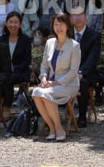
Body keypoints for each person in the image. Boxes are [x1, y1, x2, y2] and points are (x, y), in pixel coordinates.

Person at [31, 13, 80, 141]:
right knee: (36, 92)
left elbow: (73, 72)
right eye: (55, 24)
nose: (58, 27)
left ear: (67, 26)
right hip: (51, 83)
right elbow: (43, 66)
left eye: (61, 24)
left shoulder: (74, 45)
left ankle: (58, 128)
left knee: (46, 94)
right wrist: (43, 78)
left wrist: (55, 83)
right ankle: (52, 127)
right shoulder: (49, 43)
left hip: (68, 84)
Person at [69, 5, 102, 128]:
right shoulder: (66, 34)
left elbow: (92, 59)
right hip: (67, 71)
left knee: (82, 82)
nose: (77, 18)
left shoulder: (94, 35)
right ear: (70, 18)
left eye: (80, 15)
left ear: (85, 17)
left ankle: (82, 116)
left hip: (87, 73)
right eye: (74, 15)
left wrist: (80, 72)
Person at [0, 11, 33, 101]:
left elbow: (27, 61)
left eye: (16, 22)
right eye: (11, 22)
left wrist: (12, 69)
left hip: (20, 72)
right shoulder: (0, 40)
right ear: (6, 23)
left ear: (20, 24)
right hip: (4, 72)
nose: (13, 25)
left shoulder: (25, 40)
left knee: (7, 78)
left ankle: (7, 106)